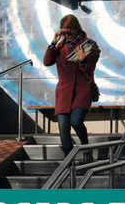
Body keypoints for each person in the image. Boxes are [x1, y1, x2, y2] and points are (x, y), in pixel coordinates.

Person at [43, 14, 100, 161]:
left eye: (69, 32)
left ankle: (86, 148)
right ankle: (69, 163)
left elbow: (90, 70)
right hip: (64, 92)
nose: (67, 35)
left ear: (76, 29)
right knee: (63, 129)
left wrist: (82, 60)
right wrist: (53, 42)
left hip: (82, 90)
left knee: (76, 122)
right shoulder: (60, 46)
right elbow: (47, 62)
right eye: (64, 32)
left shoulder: (88, 44)